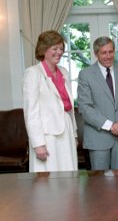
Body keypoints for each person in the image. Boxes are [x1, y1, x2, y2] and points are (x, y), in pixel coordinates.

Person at [22, 30, 78, 172]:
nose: (59, 52)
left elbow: (69, 107)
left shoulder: (64, 72)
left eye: (61, 49)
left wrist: (75, 134)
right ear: (43, 49)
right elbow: (31, 112)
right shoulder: (33, 73)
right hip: (47, 136)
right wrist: (38, 143)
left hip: (67, 129)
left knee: (69, 175)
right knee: (48, 181)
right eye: (55, 48)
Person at [77, 36, 118, 170]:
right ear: (96, 54)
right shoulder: (85, 75)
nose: (108, 56)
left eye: (111, 51)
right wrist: (110, 126)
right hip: (98, 138)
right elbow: (85, 108)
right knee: (100, 184)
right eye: (104, 53)